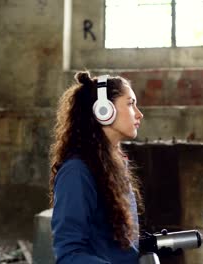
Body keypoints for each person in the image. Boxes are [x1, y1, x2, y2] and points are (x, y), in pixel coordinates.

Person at [48, 71, 144, 263]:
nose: (139, 114)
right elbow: (69, 255)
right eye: (130, 103)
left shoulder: (113, 166)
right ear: (104, 110)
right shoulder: (77, 172)